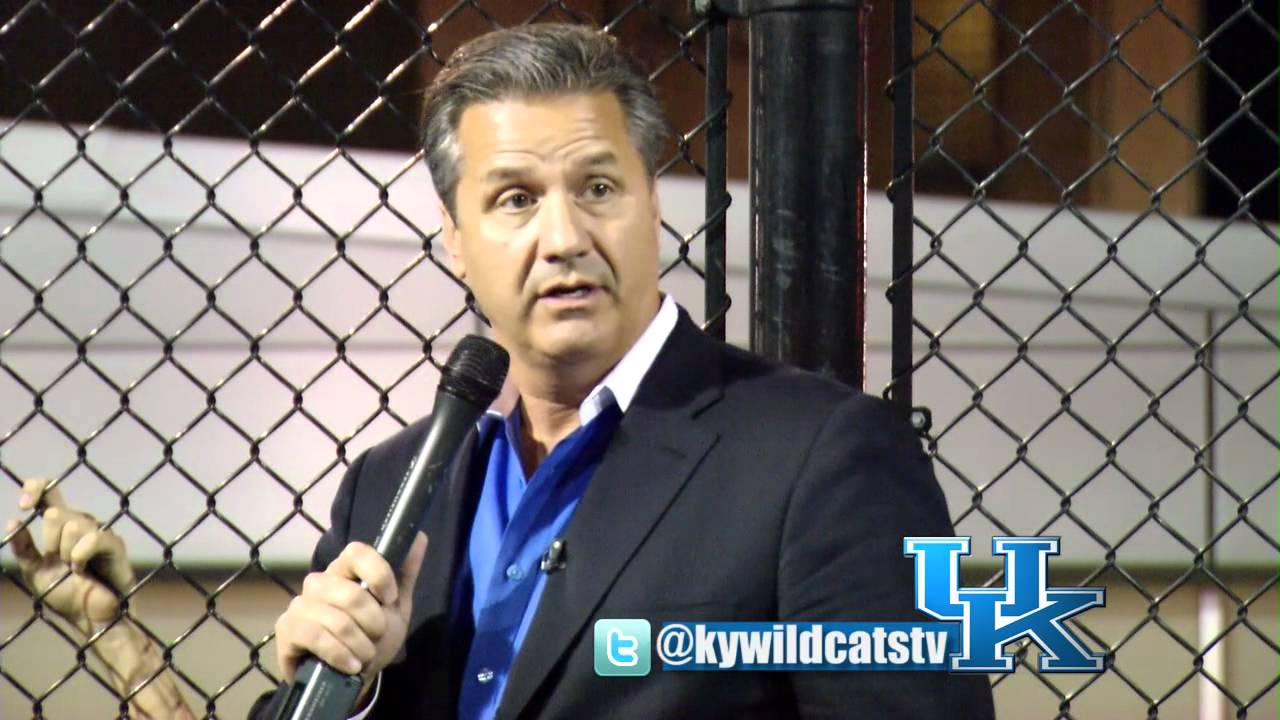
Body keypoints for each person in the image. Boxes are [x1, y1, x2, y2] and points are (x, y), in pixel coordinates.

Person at [10, 23, 996, 719]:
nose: (562, 237)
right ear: (455, 239)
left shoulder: (820, 457)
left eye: (597, 188)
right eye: (515, 199)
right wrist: (158, 656)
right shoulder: (390, 490)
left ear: (653, 202)